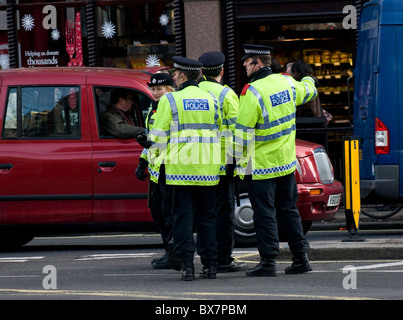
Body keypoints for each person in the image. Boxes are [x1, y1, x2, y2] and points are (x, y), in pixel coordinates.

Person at [232, 44, 317, 276]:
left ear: (258, 63)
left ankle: (268, 262)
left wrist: (237, 163)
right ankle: (301, 258)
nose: (244, 66)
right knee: (289, 211)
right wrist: (309, 76)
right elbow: (310, 90)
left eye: (246, 62)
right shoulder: (287, 82)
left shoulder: (252, 91)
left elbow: (242, 133)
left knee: (265, 214)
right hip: (286, 162)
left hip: (260, 167)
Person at [148, 56, 223, 281]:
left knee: (182, 219)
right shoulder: (212, 99)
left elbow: (158, 136)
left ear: (181, 76)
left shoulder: (169, 100)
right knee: (208, 220)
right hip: (208, 170)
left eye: (175, 74)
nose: (173, 77)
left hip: (179, 171)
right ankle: (210, 267)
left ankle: (187, 267)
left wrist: (150, 161)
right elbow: (219, 130)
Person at [197, 51, 246, 274]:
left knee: (202, 212)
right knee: (222, 212)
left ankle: (205, 258)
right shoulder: (226, 95)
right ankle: (223, 259)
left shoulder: (193, 91)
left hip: (195, 163)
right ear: (222, 70)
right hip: (222, 163)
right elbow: (239, 130)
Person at [135, 73, 176, 269]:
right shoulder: (153, 109)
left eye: (159, 89)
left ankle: (174, 255)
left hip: (169, 168)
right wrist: (142, 161)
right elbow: (151, 139)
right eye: (153, 89)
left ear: (170, 89)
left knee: (169, 215)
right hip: (155, 171)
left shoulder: (172, 107)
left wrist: (151, 143)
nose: (155, 93)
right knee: (159, 215)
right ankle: (168, 251)